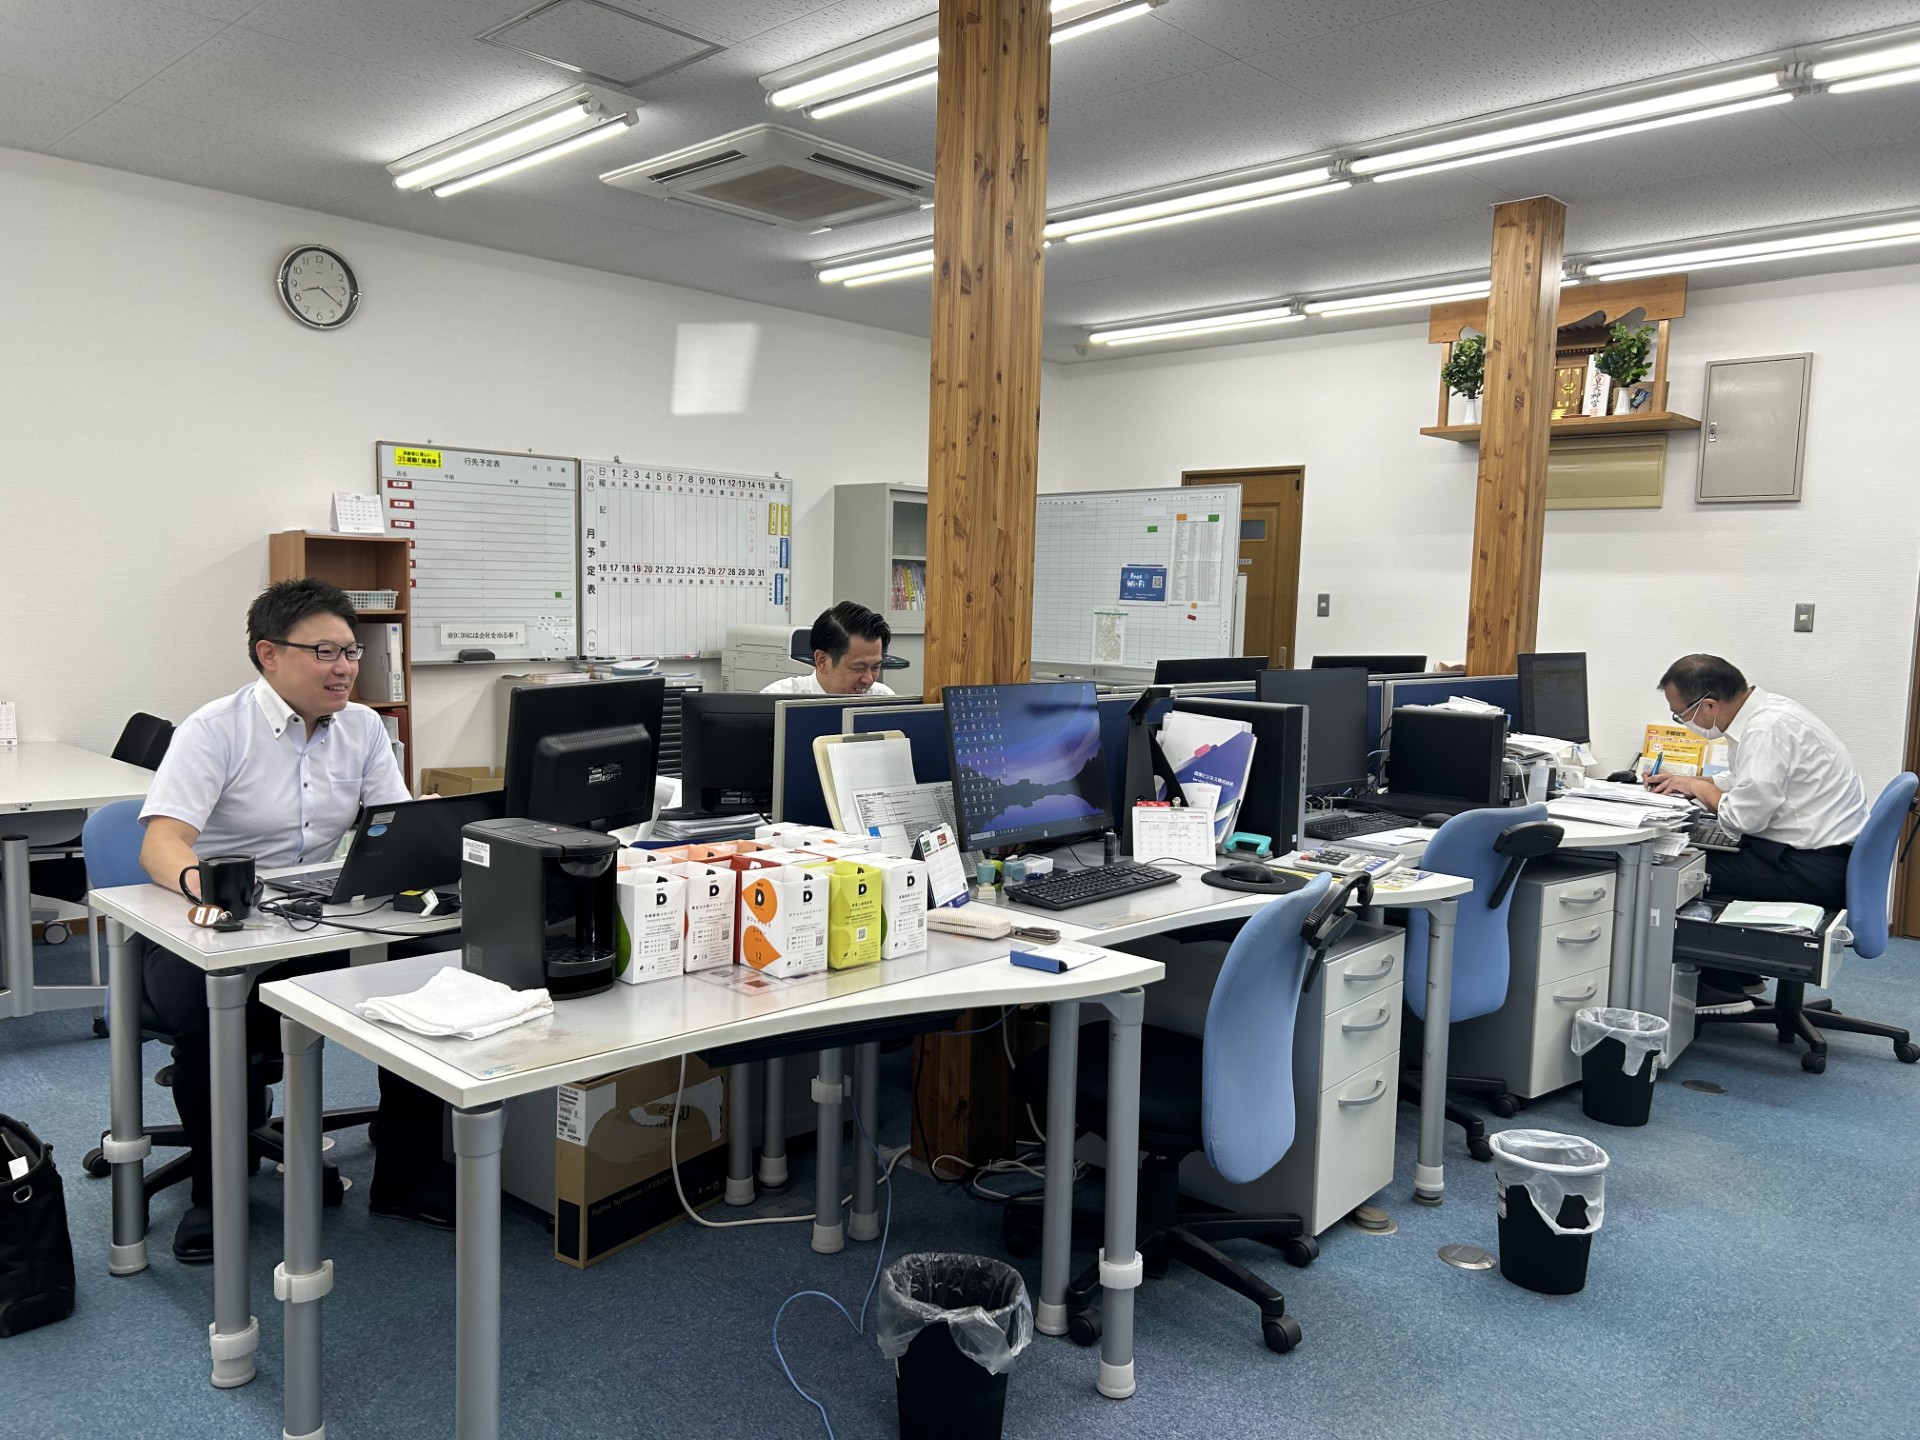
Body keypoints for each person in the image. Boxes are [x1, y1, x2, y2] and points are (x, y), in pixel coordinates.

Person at [138, 579, 454, 1261]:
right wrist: (209, 891)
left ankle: (406, 1174)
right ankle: (214, 1195)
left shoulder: (364, 728)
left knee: (426, 974)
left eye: (351, 652)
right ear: (269, 654)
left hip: (319, 918)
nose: (344, 668)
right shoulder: (214, 730)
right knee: (208, 1014)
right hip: (213, 926)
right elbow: (161, 843)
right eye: (324, 652)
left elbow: (394, 825)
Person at [1644, 653, 1867, 1011]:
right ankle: (1740, 976)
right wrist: (1688, 781)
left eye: (1681, 715)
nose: (1683, 723)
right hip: (1823, 859)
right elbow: (1745, 781)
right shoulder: (1768, 713)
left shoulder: (1766, 730)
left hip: (1809, 870)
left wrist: (1699, 788)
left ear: (1709, 705)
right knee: (1701, 858)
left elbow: (1742, 819)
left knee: (1677, 871)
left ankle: (1721, 988)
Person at [761, 601, 897, 697]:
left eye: (875, 667)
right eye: (858, 668)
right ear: (822, 661)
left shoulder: (884, 699)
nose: (868, 679)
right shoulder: (776, 700)